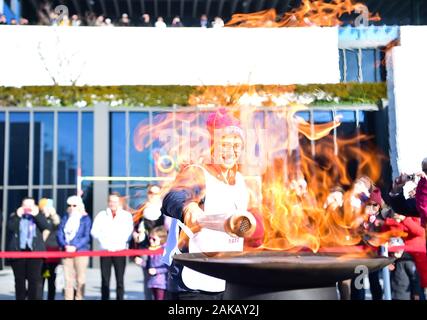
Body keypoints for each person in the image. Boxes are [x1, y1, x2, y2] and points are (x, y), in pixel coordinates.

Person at [161, 108, 264, 300]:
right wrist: (189, 207)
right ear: (212, 146)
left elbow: (253, 232)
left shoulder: (243, 182)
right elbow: (171, 198)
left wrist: (254, 227)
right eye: (224, 144)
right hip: (192, 285)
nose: (231, 151)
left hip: (227, 282)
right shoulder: (198, 173)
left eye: (236, 145)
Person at [91, 193, 134, 300]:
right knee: (105, 280)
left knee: (120, 280)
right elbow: (94, 231)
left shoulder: (126, 215)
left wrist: (119, 242)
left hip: (120, 250)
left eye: (115, 201)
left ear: (119, 202)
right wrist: (104, 241)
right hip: (105, 251)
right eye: (110, 201)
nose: (112, 204)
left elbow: (129, 232)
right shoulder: (101, 215)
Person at [7, 198, 49, 300]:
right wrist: (18, 215)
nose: (27, 208)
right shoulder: (15, 216)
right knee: (19, 281)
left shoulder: (39, 215)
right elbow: (10, 228)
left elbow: (45, 226)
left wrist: (37, 215)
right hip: (18, 252)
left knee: (34, 281)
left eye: (30, 205)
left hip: (35, 253)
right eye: (25, 205)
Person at [57, 196, 92, 300]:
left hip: (81, 252)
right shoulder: (65, 217)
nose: (71, 207)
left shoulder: (86, 219)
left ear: (79, 206)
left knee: (80, 279)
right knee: (68, 280)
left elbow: (86, 236)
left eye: (74, 205)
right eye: (69, 205)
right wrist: (65, 245)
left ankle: (79, 297)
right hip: (66, 251)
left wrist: (75, 246)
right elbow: (59, 233)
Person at [135, 226, 168, 300]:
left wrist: (156, 271)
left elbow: (168, 267)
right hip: (153, 282)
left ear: (162, 239)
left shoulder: (164, 251)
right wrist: (141, 263)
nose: (151, 241)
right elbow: (149, 266)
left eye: (154, 239)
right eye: (150, 238)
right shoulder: (152, 250)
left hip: (162, 284)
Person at [39, 198, 61, 300]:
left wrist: (53, 215)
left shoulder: (55, 218)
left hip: (52, 252)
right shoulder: (39, 218)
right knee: (41, 278)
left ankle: (50, 298)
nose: (46, 209)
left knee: (51, 278)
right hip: (41, 252)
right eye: (45, 207)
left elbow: (58, 225)